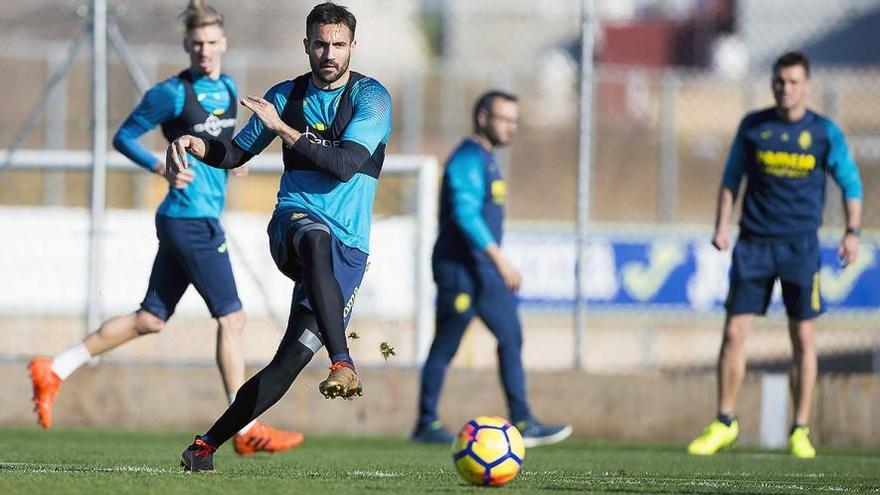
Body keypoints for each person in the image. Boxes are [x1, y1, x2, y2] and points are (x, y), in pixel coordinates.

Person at [27, 0, 302, 457]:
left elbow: (223, 144)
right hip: (188, 218)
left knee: (151, 318)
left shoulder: (230, 86)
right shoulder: (172, 93)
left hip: (194, 219)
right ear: (186, 46)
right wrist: (160, 166)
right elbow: (124, 136)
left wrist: (234, 162)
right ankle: (247, 425)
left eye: (212, 43)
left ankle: (54, 367)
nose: (205, 51)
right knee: (232, 318)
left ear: (223, 44)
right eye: (196, 44)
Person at [166, 2, 393, 471]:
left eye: (338, 44)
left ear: (353, 46)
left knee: (288, 363)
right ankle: (344, 362)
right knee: (314, 237)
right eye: (320, 43)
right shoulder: (286, 95)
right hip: (293, 226)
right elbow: (233, 152)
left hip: (348, 251)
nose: (328, 52)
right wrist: (195, 142)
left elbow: (345, 164)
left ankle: (203, 446)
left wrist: (282, 130)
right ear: (306, 45)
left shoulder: (372, 98)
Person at [687, 51, 863, 459]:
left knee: (803, 337)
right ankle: (724, 422)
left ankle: (800, 429)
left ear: (807, 85)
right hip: (754, 245)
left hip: (801, 247)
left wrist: (851, 232)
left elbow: (850, 183)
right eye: (779, 81)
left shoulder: (823, 132)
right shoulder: (754, 127)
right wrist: (721, 225)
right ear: (772, 84)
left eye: (794, 82)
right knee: (734, 333)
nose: (785, 88)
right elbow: (732, 178)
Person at [410, 91, 572, 448]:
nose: (512, 127)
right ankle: (426, 423)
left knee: (510, 335)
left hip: (483, 271)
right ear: (482, 118)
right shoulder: (466, 159)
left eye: (516, 121)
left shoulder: (488, 160)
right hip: (460, 268)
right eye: (505, 119)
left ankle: (524, 420)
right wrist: (500, 259)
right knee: (446, 344)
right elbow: (466, 215)